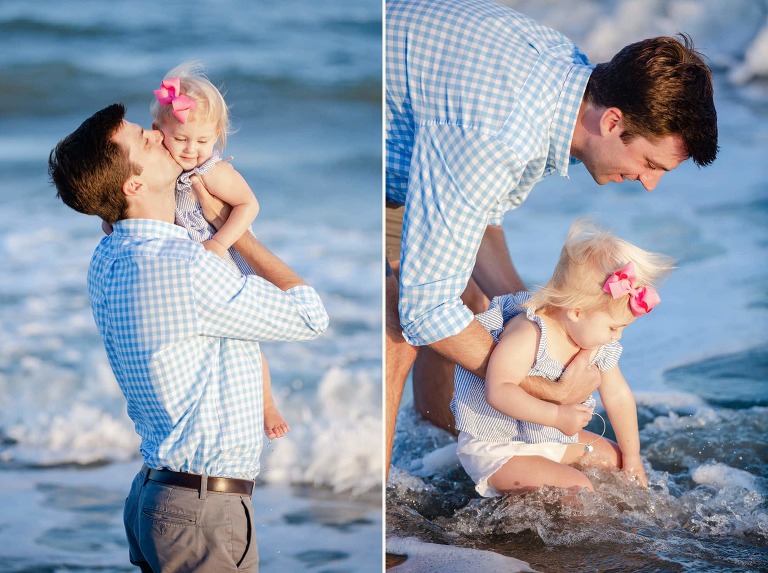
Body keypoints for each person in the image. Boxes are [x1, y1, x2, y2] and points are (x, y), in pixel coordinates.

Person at [385, 0, 718, 474]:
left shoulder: (566, 87)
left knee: (476, 304)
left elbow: (478, 218)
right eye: (650, 164)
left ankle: (436, 455)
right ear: (612, 122)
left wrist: (547, 321)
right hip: (374, 143)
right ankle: (388, 531)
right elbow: (425, 309)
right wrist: (544, 390)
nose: (650, 184)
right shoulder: (500, 134)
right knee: (401, 324)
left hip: (415, 152)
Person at [48, 103, 329, 572]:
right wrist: (233, 234)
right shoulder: (186, 267)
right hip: (199, 511)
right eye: (146, 139)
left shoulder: (106, 256)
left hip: (156, 499)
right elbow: (310, 317)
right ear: (132, 185)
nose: (161, 137)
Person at [451, 221, 673, 495]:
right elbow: (498, 390)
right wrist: (556, 416)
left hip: (549, 436)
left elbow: (617, 395)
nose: (616, 337)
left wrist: (632, 457)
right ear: (576, 311)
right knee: (579, 488)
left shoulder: (594, 340)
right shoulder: (529, 333)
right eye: (613, 328)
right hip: (500, 445)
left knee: (614, 461)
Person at [150, 61, 288, 440]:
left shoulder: (211, 170)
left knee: (241, 338)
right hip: (182, 266)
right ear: (158, 132)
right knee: (198, 341)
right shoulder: (159, 168)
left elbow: (249, 205)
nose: (192, 149)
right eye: (182, 139)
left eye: (203, 140)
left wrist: (219, 242)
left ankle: (265, 404)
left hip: (220, 259)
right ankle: (205, 411)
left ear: (217, 138)